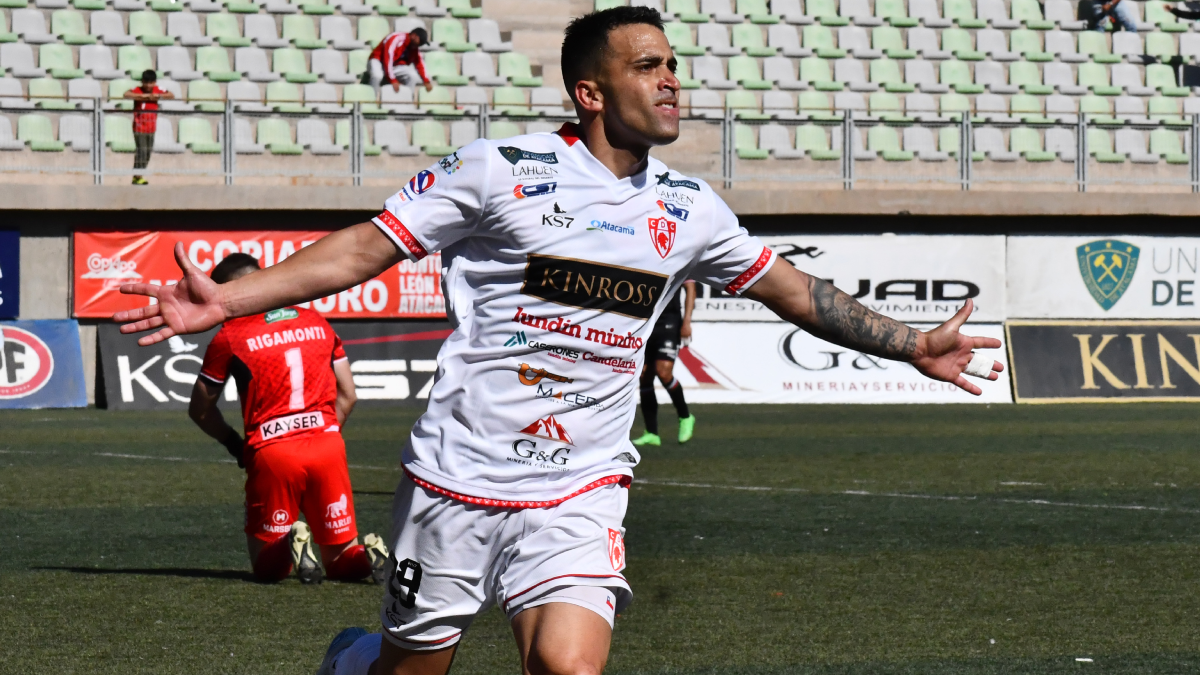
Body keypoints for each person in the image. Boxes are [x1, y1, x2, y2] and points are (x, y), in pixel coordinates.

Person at [115, 7, 1004, 674]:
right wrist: (227, 303)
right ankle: (354, 657)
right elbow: (360, 248)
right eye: (648, 66)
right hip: (458, 478)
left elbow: (795, 290)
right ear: (591, 92)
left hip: (579, 485)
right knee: (411, 665)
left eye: (674, 66)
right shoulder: (498, 171)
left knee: (569, 667)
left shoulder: (689, 209)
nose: (671, 82)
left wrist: (908, 343)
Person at [187, 253, 389, 585]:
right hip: (327, 445)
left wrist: (235, 445)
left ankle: (289, 540)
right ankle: (367, 554)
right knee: (340, 561)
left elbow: (200, 410)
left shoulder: (230, 336)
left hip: (274, 451)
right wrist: (321, 432)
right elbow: (348, 395)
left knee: (269, 569)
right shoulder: (316, 321)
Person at [632, 280, 696, 446]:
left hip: (669, 320)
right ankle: (652, 433)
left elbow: (690, 286)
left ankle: (685, 416)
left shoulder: (676, 256)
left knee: (663, 372)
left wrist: (687, 321)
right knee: (644, 375)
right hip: (645, 321)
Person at [122, 69, 173, 186]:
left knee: (148, 152)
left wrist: (158, 96)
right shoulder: (138, 90)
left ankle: (139, 175)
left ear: (155, 82)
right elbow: (126, 94)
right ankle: (137, 176)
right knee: (142, 151)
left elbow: (171, 95)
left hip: (151, 127)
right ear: (142, 82)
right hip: (139, 127)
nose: (149, 85)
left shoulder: (157, 90)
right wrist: (143, 96)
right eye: (146, 83)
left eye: (151, 83)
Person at [366, 28, 434, 95]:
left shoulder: (414, 47)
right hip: (378, 60)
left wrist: (426, 81)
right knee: (377, 75)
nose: (421, 44)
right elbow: (387, 58)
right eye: (421, 41)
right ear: (414, 35)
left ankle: (407, 101)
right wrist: (392, 79)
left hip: (394, 65)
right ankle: (371, 100)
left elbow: (419, 63)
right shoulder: (396, 38)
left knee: (412, 76)